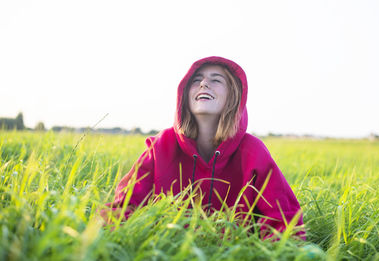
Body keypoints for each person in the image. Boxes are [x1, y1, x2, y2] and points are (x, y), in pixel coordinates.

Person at [102, 56, 304, 239]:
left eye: (216, 80)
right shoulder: (161, 146)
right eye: (196, 80)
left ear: (233, 96)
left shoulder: (253, 152)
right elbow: (124, 207)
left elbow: (284, 221)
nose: (204, 83)